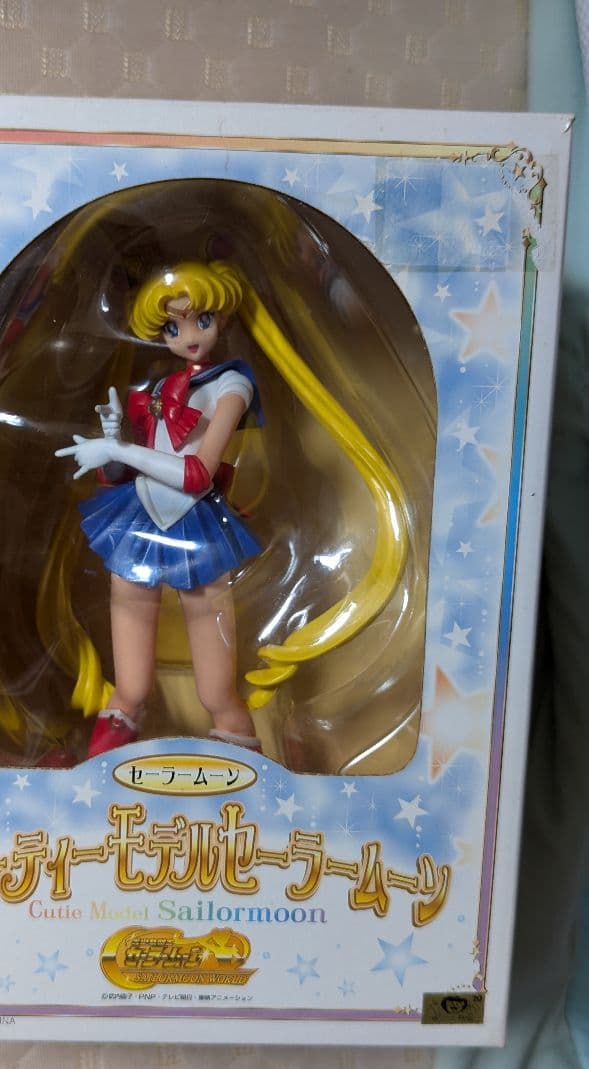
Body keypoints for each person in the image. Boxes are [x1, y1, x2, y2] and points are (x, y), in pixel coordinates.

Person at [56, 260, 409, 760]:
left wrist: (120, 450)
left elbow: (197, 474)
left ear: (222, 318)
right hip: (140, 516)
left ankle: (238, 754)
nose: (189, 336)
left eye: (201, 320)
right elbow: (133, 471)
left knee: (216, 690)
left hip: (195, 521)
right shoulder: (157, 391)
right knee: (129, 673)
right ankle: (112, 739)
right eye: (173, 327)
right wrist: (112, 447)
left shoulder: (232, 386)